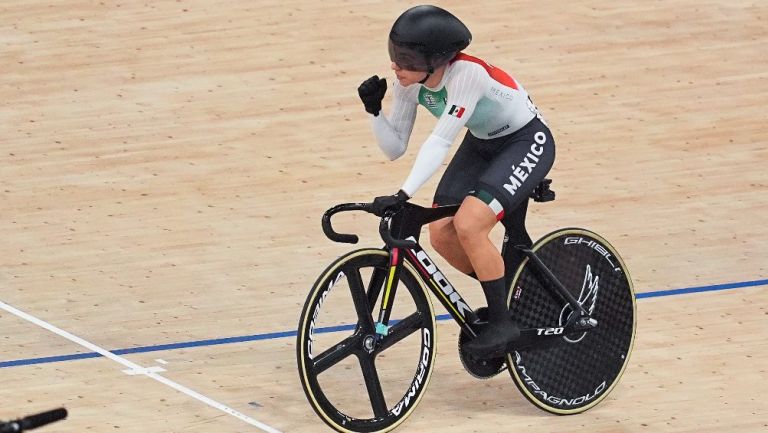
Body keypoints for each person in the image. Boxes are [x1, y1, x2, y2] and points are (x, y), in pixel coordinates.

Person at [357, 5, 555, 356]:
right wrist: (375, 111)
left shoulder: (468, 75)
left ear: (435, 60)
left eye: (405, 58)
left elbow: (439, 142)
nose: (395, 66)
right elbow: (395, 148)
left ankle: (503, 323)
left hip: (525, 141)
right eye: (394, 55)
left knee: (469, 225)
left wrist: (404, 193)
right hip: (482, 143)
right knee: (442, 234)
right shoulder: (409, 85)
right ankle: (510, 295)